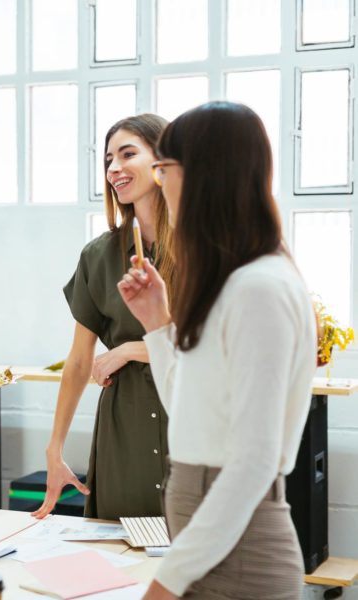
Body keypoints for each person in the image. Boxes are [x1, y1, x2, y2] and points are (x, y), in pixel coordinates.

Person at [118, 101, 315, 599]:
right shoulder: (235, 283)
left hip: (238, 559)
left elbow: (252, 462)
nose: (160, 184)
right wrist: (158, 326)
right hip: (210, 545)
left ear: (205, 174)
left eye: (163, 169)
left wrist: (165, 583)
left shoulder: (259, 288)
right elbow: (190, 416)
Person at [33, 114, 175, 521]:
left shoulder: (204, 245)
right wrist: (54, 449)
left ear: (163, 161)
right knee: (119, 558)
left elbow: (213, 341)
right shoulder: (98, 256)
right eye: (108, 160)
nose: (114, 169)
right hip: (122, 429)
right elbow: (79, 360)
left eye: (128, 154)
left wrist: (132, 348)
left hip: (188, 416)